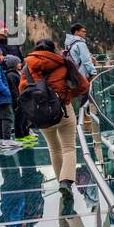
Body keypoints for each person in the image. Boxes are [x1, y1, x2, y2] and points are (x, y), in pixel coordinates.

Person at [21, 37, 86, 199]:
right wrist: (68, 95)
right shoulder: (64, 63)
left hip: (41, 114)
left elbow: (22, 90)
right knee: (69, 147)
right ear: (53, 49)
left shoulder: (27, 68)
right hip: (63, 110)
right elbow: (83, 85)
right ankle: (66, 182)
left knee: (54, 148)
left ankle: (60, 182)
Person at [3, 55, 36, 143]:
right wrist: (18, 100)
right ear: (13, 64)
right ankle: (19, 136)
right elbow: (14, 89)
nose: (20, 64)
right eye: (18, 63)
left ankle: (26, 134)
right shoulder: (11, 75)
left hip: (22, 99)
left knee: (24, 117)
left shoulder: (17, 73)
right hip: (18, 101)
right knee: (19, 119)